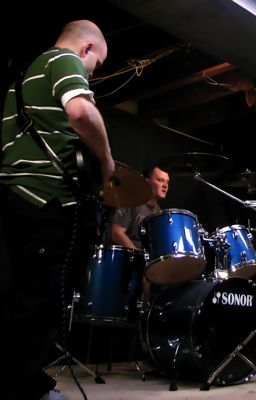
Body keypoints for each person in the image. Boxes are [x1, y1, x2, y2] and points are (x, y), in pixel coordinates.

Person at [0, 20, 114, 400]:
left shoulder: (21, 83)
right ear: (86, 49)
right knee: (41, 303)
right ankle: (26, 389)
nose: (90, 74)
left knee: (19, 297)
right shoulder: (64, 60)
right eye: (95, 65)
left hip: (16, 197)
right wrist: (107, 160)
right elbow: (81, 113)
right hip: (47, 199)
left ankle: (26, 381)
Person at [110, 165, 170, 299]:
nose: (165, 185)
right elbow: (116, 233)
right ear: (146, 182)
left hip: (143, 261)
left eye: (167, 182)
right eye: (160, 180)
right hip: (124, 258)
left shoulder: (158, 212)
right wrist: (140, 257)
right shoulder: (132, 201)